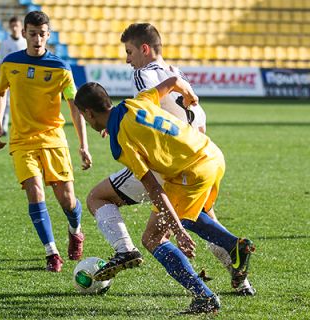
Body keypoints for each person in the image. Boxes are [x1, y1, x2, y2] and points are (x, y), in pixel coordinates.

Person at [85, 23, 255, 296]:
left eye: (129, 52)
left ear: (144, 49)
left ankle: (125, 250)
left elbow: (151, 116)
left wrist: (122, 128)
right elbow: (195, 115)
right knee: (200, 218)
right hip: (202, 151)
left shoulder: (142, 74)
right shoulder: (177, 72)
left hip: (167, 160)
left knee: (99, 198)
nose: (128, 60)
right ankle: (240, 276)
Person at [0, 11, 92, 272]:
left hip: (53, 140)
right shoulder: (10, 63)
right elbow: (1, 93)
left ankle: (75, 230)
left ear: (48, 35)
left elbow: (74, 105)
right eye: (32, 33)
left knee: (67, 200)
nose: (37, 39)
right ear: (24, 33)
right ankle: (52, 253)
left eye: (42, 34)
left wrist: (84, 145)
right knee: (35, 192)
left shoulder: (60, 68)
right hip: (22, 141)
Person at [0, 16, 26, 135]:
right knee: (6, 103)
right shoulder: (5, 43)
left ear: (20, 27)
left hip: (23, 80)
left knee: (23, 103)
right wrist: (3, 76)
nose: (14, 28)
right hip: (9, 78)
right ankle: (4, 127)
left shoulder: (25, 43)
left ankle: (23, 125)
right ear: (9, 27)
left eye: (16, 26)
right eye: (12, 26)